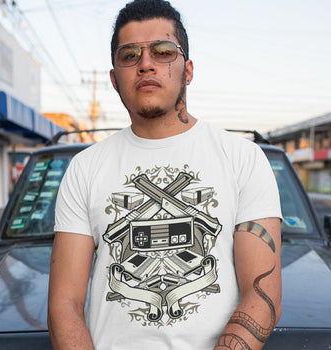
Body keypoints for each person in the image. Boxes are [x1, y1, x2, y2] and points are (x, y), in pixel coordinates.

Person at [47, 0, 282, 349]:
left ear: (187, 70)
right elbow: (64, 304)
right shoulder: (85, 167)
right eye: (129, 55)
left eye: (162, 51)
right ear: (114, 79)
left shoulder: (243, 158)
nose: (145, 64)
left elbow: (262, 295)